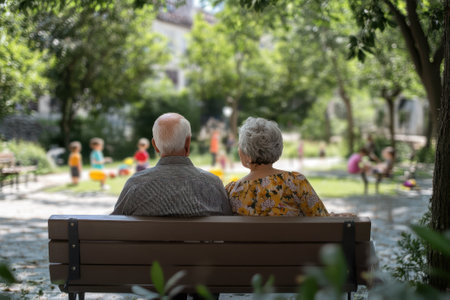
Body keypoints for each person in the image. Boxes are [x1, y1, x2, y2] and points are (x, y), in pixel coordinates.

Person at [112, 113, 232, 217]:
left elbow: (115, 225)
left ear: (155, 145)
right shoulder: (213, 184)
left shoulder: (135, 184)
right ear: (188, 143)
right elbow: (228, 224)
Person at [225, 117, 329, 217]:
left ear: (246, 151)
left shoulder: (232, 191)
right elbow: (322, 219)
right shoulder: (295, 182)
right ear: (278, 146)